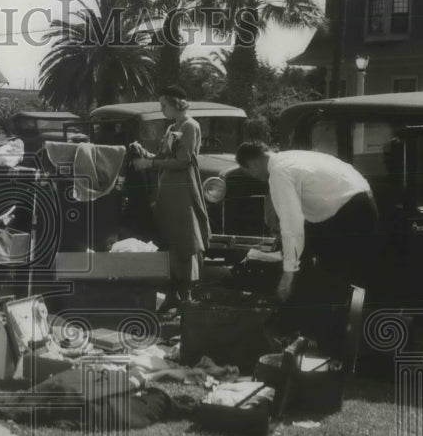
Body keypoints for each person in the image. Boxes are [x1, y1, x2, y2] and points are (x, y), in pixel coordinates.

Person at [234, 140, 378, 301]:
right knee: (314, 260)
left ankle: (310, 317)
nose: (253, 176)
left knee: (332, 275)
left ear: (252, 164)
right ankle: (302, 310)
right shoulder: (292, 157)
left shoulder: (279, 173)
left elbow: (291, 226)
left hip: (348, 212)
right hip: (362, 200)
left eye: (249, 172)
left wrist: (288, 274)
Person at [132, 86, 210, 311]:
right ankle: (173, 294)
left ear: (176, 104)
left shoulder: (189, 126)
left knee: (183, 238)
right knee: (169, 239)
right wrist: (144, 154)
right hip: (167, 191)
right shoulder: (171, 127)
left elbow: (183, 161)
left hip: (182, 190)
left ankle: (185, 297)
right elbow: (163, 157)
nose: (162, 109)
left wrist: (150, 164)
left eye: (164, 105)